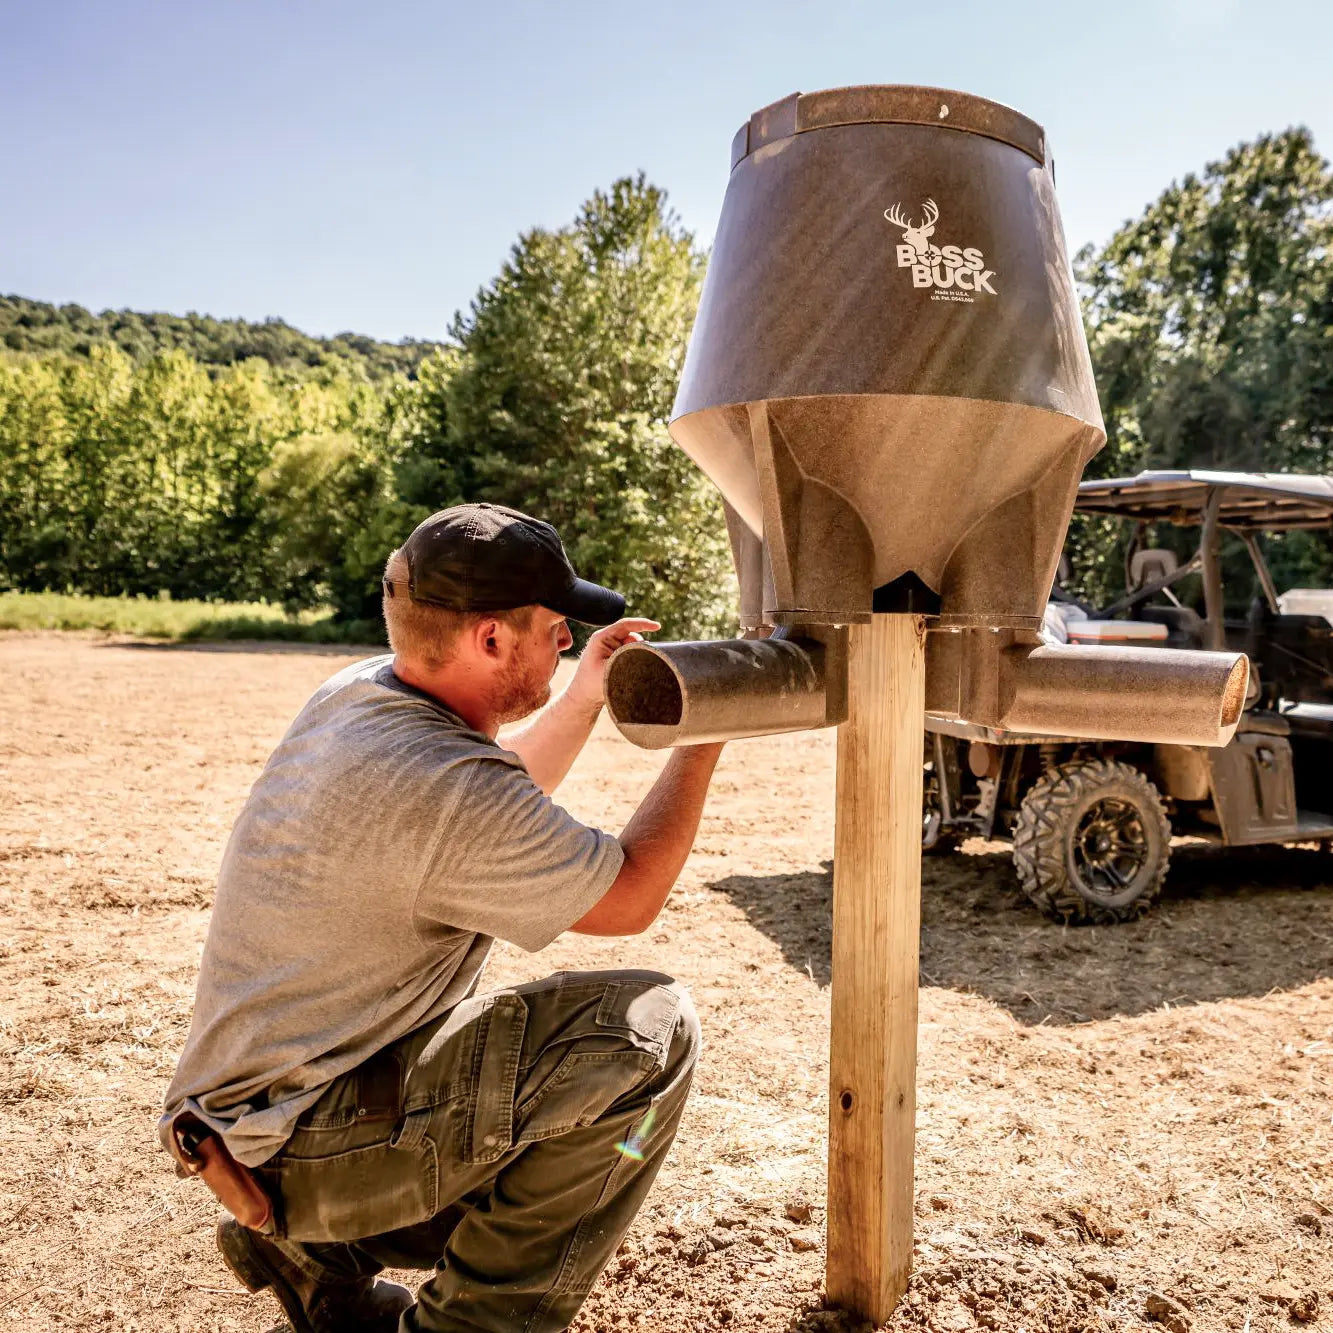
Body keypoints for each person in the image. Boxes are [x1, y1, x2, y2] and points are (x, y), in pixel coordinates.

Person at [160, 503, 724, 1333]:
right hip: (298, 1144)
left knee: (538, 1087)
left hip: (259, 1121)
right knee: (645, 1036)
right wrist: (703, 733)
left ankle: (313, 1256)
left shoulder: (363, 692)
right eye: (554, 627)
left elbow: (489, 796)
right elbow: (631, 894)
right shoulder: (442, 786)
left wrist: (582, 694)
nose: (566, 640)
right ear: (490, 638)